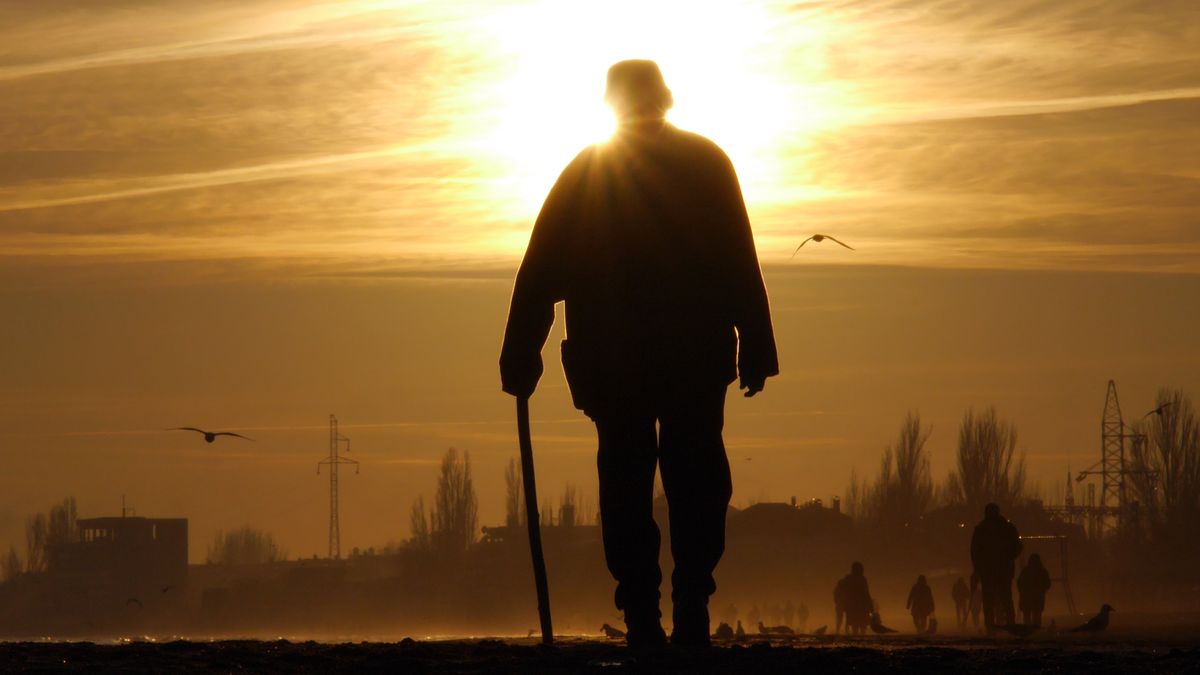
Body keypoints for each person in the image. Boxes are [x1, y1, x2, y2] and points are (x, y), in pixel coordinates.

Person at [500, 60, 779, 649]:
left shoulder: (587, 172)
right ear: (665, 99)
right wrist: (755, 343)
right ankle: (688, 606)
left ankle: (648, 614)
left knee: (629, 481)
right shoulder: (706, 164)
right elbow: (739, 263)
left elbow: (540, 271)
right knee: (696, 478)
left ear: (611, 103)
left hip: (619, 361)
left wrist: (522, 353)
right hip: (687, 358)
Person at [969, 503, 1022, 633]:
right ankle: (1006, 624)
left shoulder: (982, 529)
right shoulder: (1007, 528)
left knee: (993, 599)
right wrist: (1008, 558)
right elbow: (1018, 547)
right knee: (1002, 598)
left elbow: (975, 551)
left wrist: (978, 568)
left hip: (990, 571)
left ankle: (993, 625)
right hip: (999, 570)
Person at [837, 562, 874, 635]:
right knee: (860, 624)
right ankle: (861, 640)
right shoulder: (861, 579)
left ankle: (856, 640)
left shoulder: (849, 578)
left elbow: (842, 588)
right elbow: (866, 593)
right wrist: (870, 605)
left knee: (856, 625)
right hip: (859, 605)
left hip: (854, 606)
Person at [1017, 553, 1052, 626]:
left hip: (1027, 597)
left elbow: (1020, 583)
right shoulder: (1042, 571)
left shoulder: (1025, 571)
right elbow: (1047, 584)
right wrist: (1042, 590)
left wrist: (1022, 591)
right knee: (1037, 616)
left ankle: (1028, 631)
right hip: (1038, 597)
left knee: (1027, 617)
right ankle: (1036, 632)